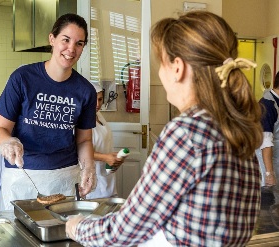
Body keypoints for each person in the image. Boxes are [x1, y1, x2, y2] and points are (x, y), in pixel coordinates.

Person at [66, 11, 263, 246]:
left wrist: (78, 227)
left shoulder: (186, 133)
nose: (160, 72)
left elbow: (127, 229)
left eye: (161, 63)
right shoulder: (238, 129)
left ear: (177, 67)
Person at [0, 13, 97, 210]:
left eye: (79, 43)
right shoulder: (22, 78)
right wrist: (8, 141)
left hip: (65, 176)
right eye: (66, 40)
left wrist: (89, 167)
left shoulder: (86, 91)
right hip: (22, 176)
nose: (71, 49)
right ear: (52, 39)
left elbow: (84, 140)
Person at [85, 84, 124, 199]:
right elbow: (78, 150)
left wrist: (113, 157)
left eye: (100, 99)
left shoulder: (99, 115)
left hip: (106, 176)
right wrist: (105, 157)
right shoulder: (81, 120)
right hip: (91, 179)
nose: (97, 104)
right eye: (93, 99)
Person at [255, 72, 279, 188]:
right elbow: (265, 142)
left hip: (276, 161)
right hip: (267, 165)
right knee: (269, 202)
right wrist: (269, 174)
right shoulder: (267, 105)